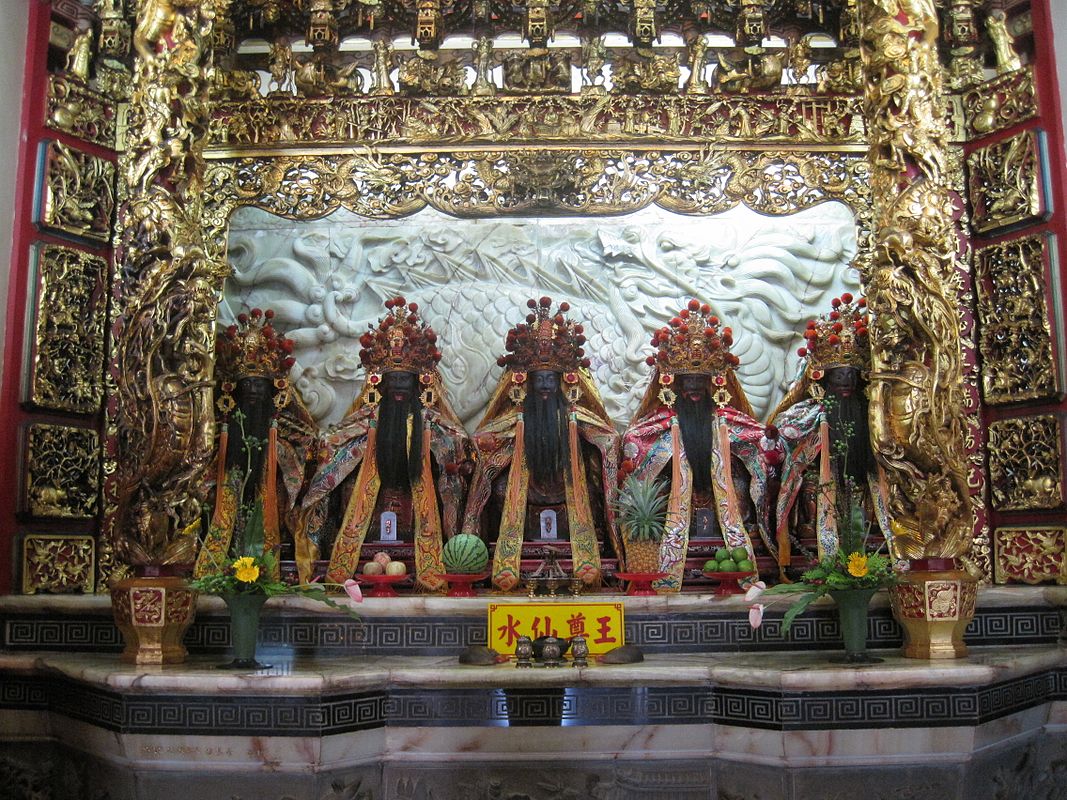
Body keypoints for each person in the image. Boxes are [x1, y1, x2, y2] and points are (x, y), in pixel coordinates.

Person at [301, 297, 469, 591]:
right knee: (344, 481)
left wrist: (451, 460)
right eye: (394, 379)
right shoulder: (366, 420)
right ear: (380, 382)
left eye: (406, 379)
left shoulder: (431, 422)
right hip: (370, 513)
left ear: (419, 383)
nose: (400, 386)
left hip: (416, 510)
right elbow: (335, 443)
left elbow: (456, 444)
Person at [461, 297, 620, 592]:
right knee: (499, 489)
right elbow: (486, 439)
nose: (545, 385)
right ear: (527, 382)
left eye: (551, 379)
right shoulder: (518, 416)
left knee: (592, 486)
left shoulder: (575, 415)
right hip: (527, 488)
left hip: (567, 487)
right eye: (539, 379)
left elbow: (608, 438)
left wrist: (596, 443)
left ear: (562, 382)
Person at [621, 300, 766, 590]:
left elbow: (757, 439)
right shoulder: (660, 423)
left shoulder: (726, 420)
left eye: (701, 381)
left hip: (720, 501)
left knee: (739, 482)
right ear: (674, 384)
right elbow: (634, 441)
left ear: (714, 383)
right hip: (674, 505)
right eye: (687, 381)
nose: (694, 388)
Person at [770, 294, 893, 575]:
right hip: (822, 478)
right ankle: (812, 534)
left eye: (851, 375)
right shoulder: (812, 411)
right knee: (813, 487)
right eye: (839, 376)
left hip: (862, 476)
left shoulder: (873, 414)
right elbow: (786, 431)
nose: (845, 382)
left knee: (869, 492)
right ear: (825, 379)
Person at [195, 309, 317, 578]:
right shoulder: (220, 426)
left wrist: (279, 451)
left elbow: (308, 441)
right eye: (247, 384)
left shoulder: (285, 423)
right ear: (234, 388)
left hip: (270, 483)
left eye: (260, 385)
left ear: (272, 389)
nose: (252, 390)